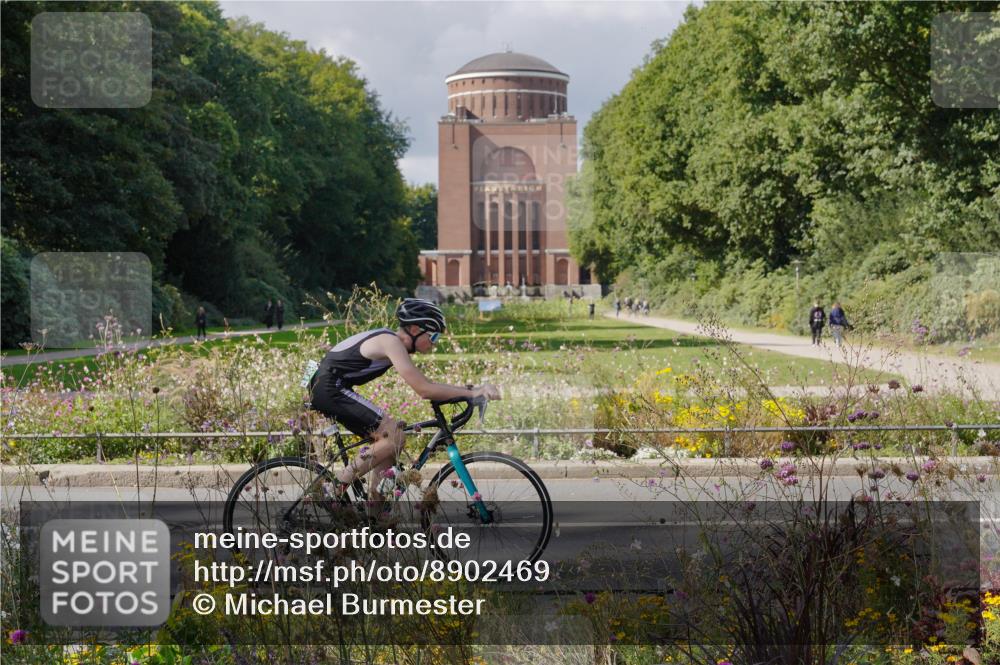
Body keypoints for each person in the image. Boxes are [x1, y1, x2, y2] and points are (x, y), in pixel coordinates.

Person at [308, 298, 500, 499]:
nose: (434, 344)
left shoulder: (392, 341)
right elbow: (424, 389)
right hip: (329, 387)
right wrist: (473, 392)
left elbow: (427, 383)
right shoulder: (391, 342)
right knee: (395, 436)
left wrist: (470, 390)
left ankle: (375, 517)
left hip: (329, 386)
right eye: (434, 337)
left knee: (389, 452)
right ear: (416, 329)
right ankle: (333, 490)